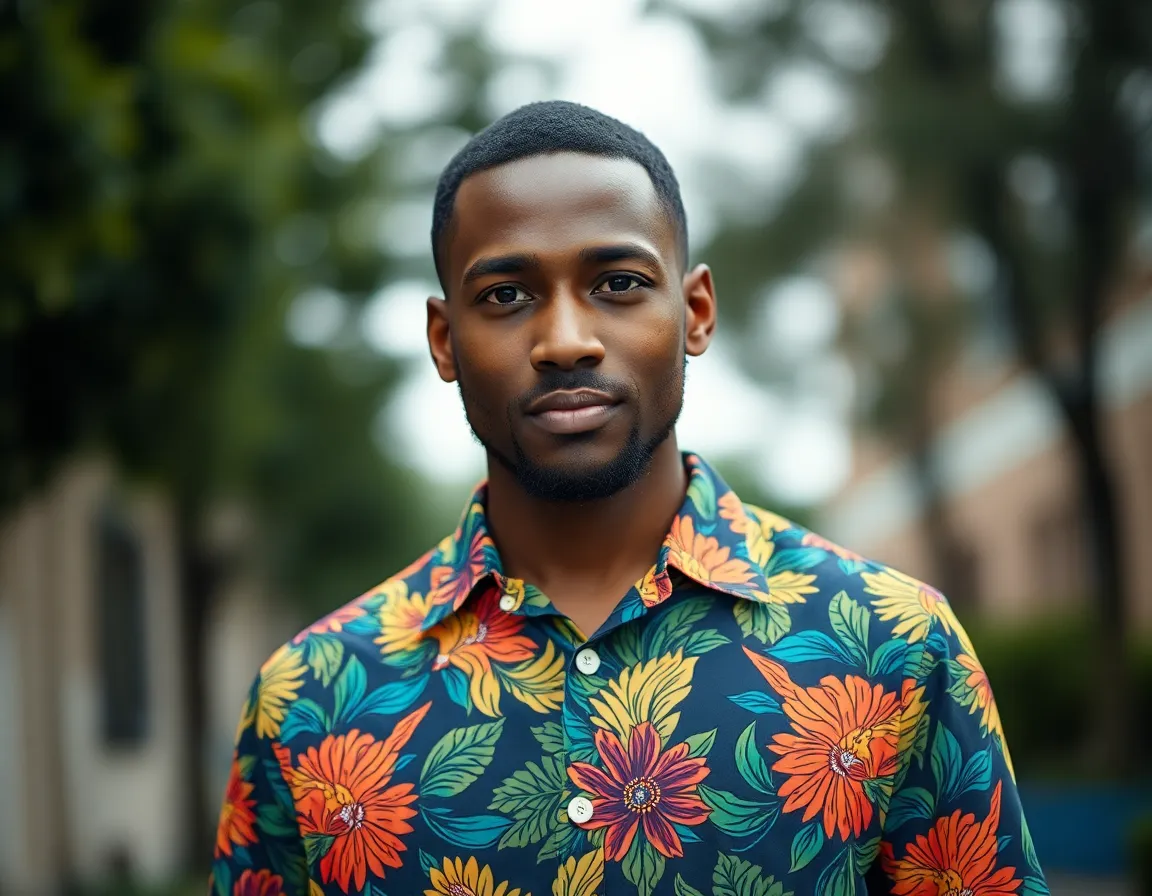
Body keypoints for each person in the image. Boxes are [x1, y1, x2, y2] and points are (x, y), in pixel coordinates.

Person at [210, 100, 1047, 896]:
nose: (566, 341)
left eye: (617, 283)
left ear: (695, 312)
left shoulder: (896, 647)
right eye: (505, 295)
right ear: (444, 340)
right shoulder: (311, 701)